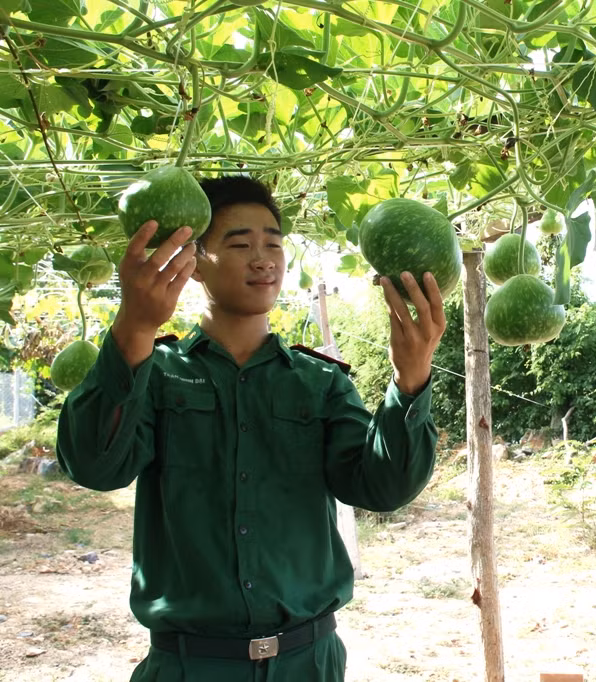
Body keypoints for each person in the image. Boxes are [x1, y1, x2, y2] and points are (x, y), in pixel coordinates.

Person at [56, 175, 446, 681]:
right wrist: (133, 327)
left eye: (274, 244)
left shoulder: (320, 382)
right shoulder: (154, 372)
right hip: (189, 668)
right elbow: (94, 466)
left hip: (308, 663)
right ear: (193, 261)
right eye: (240, 243)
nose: (263, 258)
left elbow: (381, 487)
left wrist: (411, 378)